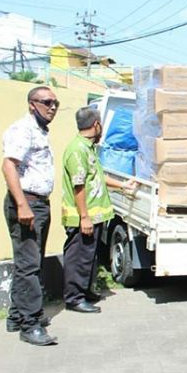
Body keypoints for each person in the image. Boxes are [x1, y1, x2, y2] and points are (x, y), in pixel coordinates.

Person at [1, 86, 59, 346]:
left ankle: (16, 316)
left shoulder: (39, 132)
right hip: (27, 204)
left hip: (37, 204)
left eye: (55, 103)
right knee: (29, 267)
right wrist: (23, 205)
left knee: (28, 263)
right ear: (31, 104)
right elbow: (8, 166)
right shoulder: (23, 130)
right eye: (46, 102)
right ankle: (30, 324)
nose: (52, 107)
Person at [61, 107, 134, 313]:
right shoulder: (77, 150)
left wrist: (123, 186)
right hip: (83, 218)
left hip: (94, 215)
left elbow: (98, 177)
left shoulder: (89, 148)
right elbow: (79, 185)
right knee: (78, 258)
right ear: (96, 125)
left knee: (88, 257)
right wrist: (84, 217)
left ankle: (85, 291)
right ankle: (74, 298)